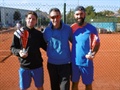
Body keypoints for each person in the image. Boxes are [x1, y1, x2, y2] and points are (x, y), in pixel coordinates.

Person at [10, 11, 47, 90]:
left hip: (37, 66)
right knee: (23, 88)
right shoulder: (18, 33)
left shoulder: (39, 34)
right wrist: (19, 52)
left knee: (40, 87)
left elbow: (45, 47)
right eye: (29, 18)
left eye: (33, 19)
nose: (31, 20)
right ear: (26, 19)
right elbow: (12, 48)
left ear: (36, 21)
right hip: (24, 67)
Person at [71, 6, 100, 90]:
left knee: (88, 85)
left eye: (81, 14)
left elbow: (97, 43)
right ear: (74, 16)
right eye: (77, 14)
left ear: (85, 14)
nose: (79, 16)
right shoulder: (72, 28)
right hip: (74, 63)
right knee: (74, 84)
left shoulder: (92, 29)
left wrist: (93, 53)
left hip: (87, 63)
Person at [43, 8, 72, 90]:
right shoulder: (46, 30)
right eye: (52, 17)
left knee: (64, 88)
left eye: (57, 16)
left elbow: (74, 42)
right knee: (54, 87)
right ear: (49, 18)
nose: (55, 19)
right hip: (52, 65)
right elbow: (43, 43)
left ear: (60, 16)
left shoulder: (68, 29)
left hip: (65, 65)